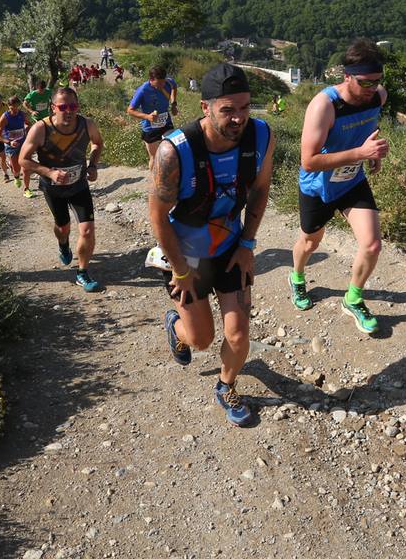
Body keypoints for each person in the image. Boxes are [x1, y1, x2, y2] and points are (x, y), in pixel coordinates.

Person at [149, 64, 274, 427]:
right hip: (186, 256)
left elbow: (261, 190)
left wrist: (248, 243)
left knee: (238, 333)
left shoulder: (261, 136)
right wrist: (181, 271)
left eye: (245, 108)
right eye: (228, 110)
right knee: (201, 339)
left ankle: (226, 386)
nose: (239, 118)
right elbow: (158, 216)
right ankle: (177, 327)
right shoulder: (174, 151)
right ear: (206, 108)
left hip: (230, 248)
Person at [289, 40, 390, 335]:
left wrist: (374, 154)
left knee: (372, 244)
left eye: (376, 81)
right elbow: (308, 161)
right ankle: (296, 277)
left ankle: (353, 298)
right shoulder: (325, 105)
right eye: (365, 82)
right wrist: (360, 154)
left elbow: (370, 126)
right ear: (347, 76)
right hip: (317, 187)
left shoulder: (378, 96)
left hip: (351, 182)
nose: (372, 88)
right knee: (310, 242)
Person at [20, 87, 106, 292]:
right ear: (53, 108)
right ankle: (63, 244)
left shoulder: (87, 125)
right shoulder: (41, 129)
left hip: (79, 186)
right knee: (63, 227)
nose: (68, 111)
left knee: (87, 229)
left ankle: (82, 273)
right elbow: (23, 160)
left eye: (73, 106)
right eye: (63, 106)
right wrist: (49, 173)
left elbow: (97, 143)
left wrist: (93, 165)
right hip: (53, 188)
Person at [127, 65, 180, 168]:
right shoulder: (143, 90)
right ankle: (155, 182)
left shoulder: (168, 82)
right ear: (151, 79)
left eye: (163, 82)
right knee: (154, 157)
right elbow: (130, 110)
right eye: (159, 83)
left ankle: (169, 177)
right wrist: (147, 117)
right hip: (150, 127)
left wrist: (173, 104)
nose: (162, 85)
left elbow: (174, 86)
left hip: (166, 122)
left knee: (172, 153)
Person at [0, 94, 32, 188]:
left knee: (25, 166)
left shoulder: (22, 114)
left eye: (16, 106)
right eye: (11, 107)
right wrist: (9, 142)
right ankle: (16, 177)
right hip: (11, 145)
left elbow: (28, 124)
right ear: (8, 106)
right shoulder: (5, 117)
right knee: (16, 168)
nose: (14, 109)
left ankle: (27, 188)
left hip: (22, 142)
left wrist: (27, 129)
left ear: (19, 105)